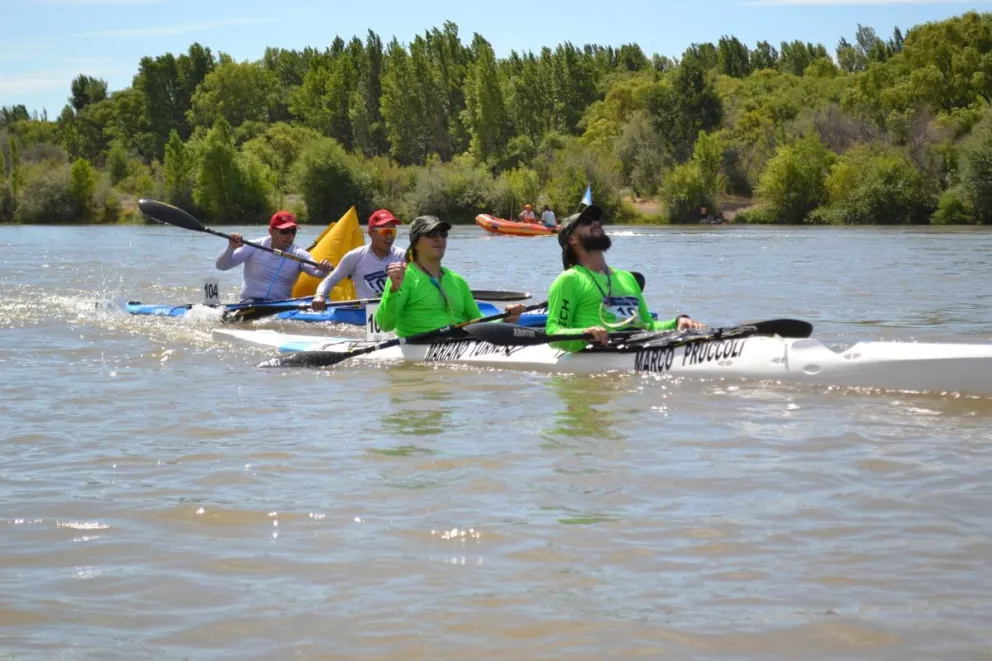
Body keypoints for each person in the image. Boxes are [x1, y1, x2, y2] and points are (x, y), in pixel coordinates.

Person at [546, 204, 706, 352]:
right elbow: (553, 333)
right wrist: (585, 333)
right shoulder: (569, 280)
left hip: (637, 347)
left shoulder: (627, 277)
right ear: (572, 239)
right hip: (597, 353)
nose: (595, 223)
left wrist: (676, 323)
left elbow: (648, 326)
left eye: (596, 220)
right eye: (586, 222)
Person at [375, 216, 525, 338]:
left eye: (443, 234)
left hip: (459, 342)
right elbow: (385, 325)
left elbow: (478, 320)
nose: (439, 239)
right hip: (419, 347)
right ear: (416, 244)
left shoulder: (457, 281)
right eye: (432, 234)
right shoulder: (403, 277)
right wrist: (394, 289)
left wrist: (505, 318)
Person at [215, 211, 332, 303]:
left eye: (293, 231)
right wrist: (231, 248)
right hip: (250, 302)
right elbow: (221, 266)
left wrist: (323, 269)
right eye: (285, 231)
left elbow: (316, 272)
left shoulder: (299, 254)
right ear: (271, 231)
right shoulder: (254, 246)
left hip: (280, 305)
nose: (290, 236)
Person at [311, 208, 407, 311]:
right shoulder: (355, 257)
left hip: (396, 311)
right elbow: (330, 280)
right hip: (366, 312)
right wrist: (319, 296)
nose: (389, 236)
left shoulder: (403, 256)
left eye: (392, 231)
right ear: (370, 233)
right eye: (385, 231)